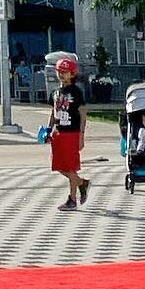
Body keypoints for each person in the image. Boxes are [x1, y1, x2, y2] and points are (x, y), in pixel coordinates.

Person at [46, 55, 90, 211]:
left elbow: (83, 113)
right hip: (58, 132)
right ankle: (81, 183)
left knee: (71, 167)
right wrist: (48, 129)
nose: (61, 75)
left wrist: (81, 135)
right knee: (58, 165)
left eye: (65, 72)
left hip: (71, 133)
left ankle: (72, 199)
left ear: (72, 74)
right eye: (59, 71)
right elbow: (53, 111)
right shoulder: (55, 92)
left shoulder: (76, 92)